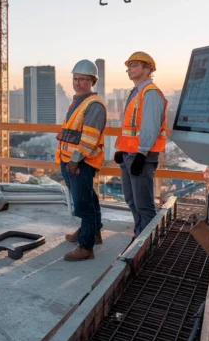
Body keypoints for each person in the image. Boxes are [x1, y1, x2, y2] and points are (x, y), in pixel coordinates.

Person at [55, 59, 107, 261]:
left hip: (80, 162)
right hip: (69, 159)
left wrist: (75, 160)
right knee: (89, 198)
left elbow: (89, 138)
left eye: (84, 79)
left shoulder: (93, 105)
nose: (78, 83)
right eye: (76, 78)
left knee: (82, 202)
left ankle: (86, 246)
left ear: (93, 81)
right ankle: (93, 231)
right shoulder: (78, 101)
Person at [114, 51, 168, 237]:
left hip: (141, 157)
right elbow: (130, 127)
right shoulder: (136, 93)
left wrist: (142, 153)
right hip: (130, 155)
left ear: (148, 69)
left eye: (134, 65)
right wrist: (121, 149)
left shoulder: (150, 93)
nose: (129, 69)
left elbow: (150, 126)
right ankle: (139, 237)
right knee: (131, 200)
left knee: (144, 205)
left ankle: (147, 246)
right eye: (128, 65)